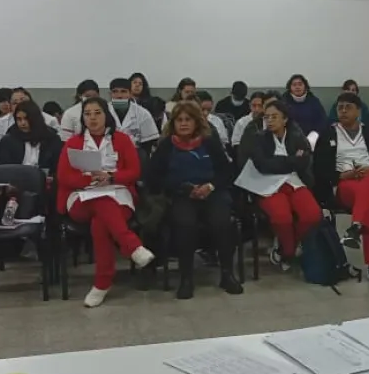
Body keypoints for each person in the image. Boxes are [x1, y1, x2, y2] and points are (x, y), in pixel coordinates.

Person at [57, 97, 155, 307]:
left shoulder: (122, 140)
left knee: (100, 222)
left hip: (117, 192)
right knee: (102, 203)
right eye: (87, 114)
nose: (92, 118)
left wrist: (111, 177)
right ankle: (131, 246)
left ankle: (102, 283)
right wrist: (90, 179)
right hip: (82, 196)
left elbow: (134, 171)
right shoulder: (73, 143)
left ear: (106, 115)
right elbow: (63, 176)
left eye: (97, 113)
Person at [148, 101, 243, 300]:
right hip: (181, 194)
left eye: (188, 119)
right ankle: (186, 279)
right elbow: (153, 178)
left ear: (196, 122)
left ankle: (227, 274)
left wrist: (210, 186)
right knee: (185, 224)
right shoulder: (166, 146)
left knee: (222, 221)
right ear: (173, 123)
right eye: (179, 120)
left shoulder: (209, 142)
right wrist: (182, 187)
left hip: (212, 192)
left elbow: (226, 171)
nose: (183, 123)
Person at [313, 92, 369, 286]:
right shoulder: (328, 134)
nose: (343, 111)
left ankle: (357, 225)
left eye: (348, 107)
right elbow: (319, 169)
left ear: (358, 111)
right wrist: (342, 175)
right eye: (340, 108)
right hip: (347, 184)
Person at [245, 100, 322, 271]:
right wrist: (291, 161)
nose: (270, 121)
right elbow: (262, 165)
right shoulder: (259, 138)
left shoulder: (297, 135)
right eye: (267, 117)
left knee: (313, 215)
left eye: (274, 117)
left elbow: (303, 162)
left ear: (285, 119)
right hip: (268, 184)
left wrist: (279, 162)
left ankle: (291, 243)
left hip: (294, 182)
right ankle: (288, 252)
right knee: (282, 217)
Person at [0, 100, 64, 171]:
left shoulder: (52, 139)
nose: (22, 123)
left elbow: (57, 167)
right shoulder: (8, 140)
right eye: (19, 119)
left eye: (26, 119)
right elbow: (4, 169)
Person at [105, 78, 160, 151]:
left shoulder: (143, 113)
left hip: (135, 152)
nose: (119, 96)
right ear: (110, 94)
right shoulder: (103, 111)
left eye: (123, 91)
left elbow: (148, 142)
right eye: (115, 91)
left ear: (130, 94)